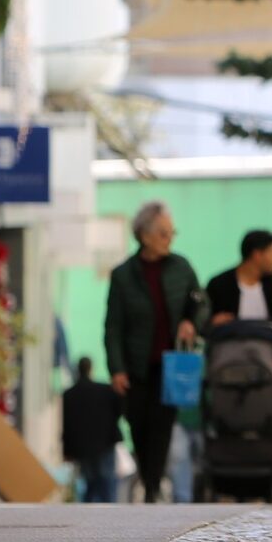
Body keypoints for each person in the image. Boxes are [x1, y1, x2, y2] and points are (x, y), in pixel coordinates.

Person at [103, 201, 202, 503]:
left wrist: (190, 322)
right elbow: (113, 326)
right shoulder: (123, 275)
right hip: (136, 366)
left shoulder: (181, 268)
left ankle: (153, 487)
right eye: (162, 233)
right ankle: (149, 479)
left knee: (162, 426)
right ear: (144, 235)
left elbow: (200, 303)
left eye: (171, 233)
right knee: (138, 425)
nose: (168, 239)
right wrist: (116, 368)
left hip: (169, 365)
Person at [61, 356, 124, 503]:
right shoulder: (105, 391)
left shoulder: (69, 395)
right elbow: (119, 410)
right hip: (105, 444)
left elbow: (67, 425)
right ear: (91, 369)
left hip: (82, 448)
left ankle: (89, 518)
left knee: (89, 486)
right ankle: (110, 519)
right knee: (107, 486)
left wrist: (67, 450)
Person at [206, 229, 272, 330]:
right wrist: (214, 321)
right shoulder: (219, 284)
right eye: (271, 252)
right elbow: (205, 322)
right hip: (230, 342)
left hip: (269, 342)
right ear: (257, 255)